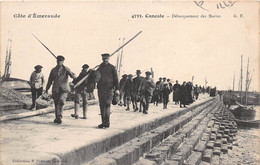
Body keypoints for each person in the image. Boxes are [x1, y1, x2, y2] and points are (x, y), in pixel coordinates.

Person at [46, 55, 76, 124]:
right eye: (58, 61)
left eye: (61, 61)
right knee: (56, 103)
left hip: (64, 89)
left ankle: (59, 116)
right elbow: (50, 80)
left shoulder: (66, 69)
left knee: (61, 101)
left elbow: (73, 77)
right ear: (56, 61)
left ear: (63, 62)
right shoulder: (53, 70)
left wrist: (69, 71)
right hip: (56, 89)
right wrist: (47, 89)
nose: (59, 62)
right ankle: (57, 118)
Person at [96, 53, 119, 128]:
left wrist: (117, 89)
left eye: (106, 59)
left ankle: (107, 122)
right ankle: (103, 122)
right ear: (102, 59)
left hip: (109, 89)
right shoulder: (100, 67)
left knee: (107, 104)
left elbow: (116, 79)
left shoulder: (112, 67)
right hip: (101, 89)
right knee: (102, 105)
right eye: (104, 59)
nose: (105, 60)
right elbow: (96, 76)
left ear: (108, 59)